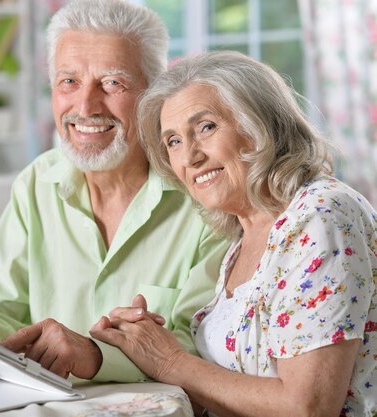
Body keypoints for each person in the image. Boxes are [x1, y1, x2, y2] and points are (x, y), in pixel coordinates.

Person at [0, 0, 229, 388]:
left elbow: (205, 344)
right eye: (69, 81)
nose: (85, 106)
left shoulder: (202, 193)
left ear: (154, 95)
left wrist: (95, 355)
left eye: (112, 83)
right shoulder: (37, 182)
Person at [90, 50, 377, 417]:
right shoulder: (245, 237)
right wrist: (137, 341)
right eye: (173, 141)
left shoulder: (321, 215)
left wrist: (169, 360)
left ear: (259, 126)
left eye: (206, 127)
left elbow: (309, 407)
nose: (189, 157)